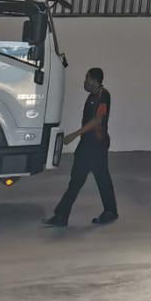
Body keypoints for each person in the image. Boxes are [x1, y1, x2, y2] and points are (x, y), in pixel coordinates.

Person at [43, 66, 117, 227]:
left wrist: (74, 134)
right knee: (80, 179)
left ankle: (108, 211)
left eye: (87, 78)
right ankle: (62, 215)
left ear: (94, 80)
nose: (85, 82)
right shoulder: (93, 96)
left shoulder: (103, 95)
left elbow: (98, 119)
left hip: (96, 145)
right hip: (88, 144)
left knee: (96, 178)